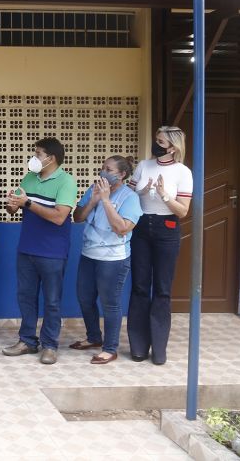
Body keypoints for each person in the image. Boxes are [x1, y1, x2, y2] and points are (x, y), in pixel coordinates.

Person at [3, 137, 77, 365]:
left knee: (52, 301)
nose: (34, 158)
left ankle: (50, 345)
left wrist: (27, 203)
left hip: (53, 252)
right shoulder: (30, 177)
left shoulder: (66, 181)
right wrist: (12, 203)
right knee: (26, 297)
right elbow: (13, 207)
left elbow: (59, 217)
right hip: (26, 248)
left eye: (37, 154)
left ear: (50, 158)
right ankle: (27, 341)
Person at [127, 126, 193, 365]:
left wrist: (165, 194)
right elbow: (130, 193)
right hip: (142, 226)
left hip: (168, 228)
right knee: (140, 286)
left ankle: (159, 347)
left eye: (161, 141)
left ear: (173, 147)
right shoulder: (144, 166)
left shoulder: (183, 172)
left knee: (162, 290)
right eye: (156, 139)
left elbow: (183, 211)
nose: (156, 144)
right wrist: (142, 191)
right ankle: (138, 346)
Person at [71, 156, 142, 364]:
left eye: (108, 169)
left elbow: (121, 228)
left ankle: (110, 348)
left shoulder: (130, 197)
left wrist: (105, 200)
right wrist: (93, 199)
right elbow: (78, 217)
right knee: (84, 298)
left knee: (110, 303)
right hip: (89, 254)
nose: (102, 172)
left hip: (113, 259)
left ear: (121, 175)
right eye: (102, 167)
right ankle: (93, 337)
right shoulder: (94, 190)